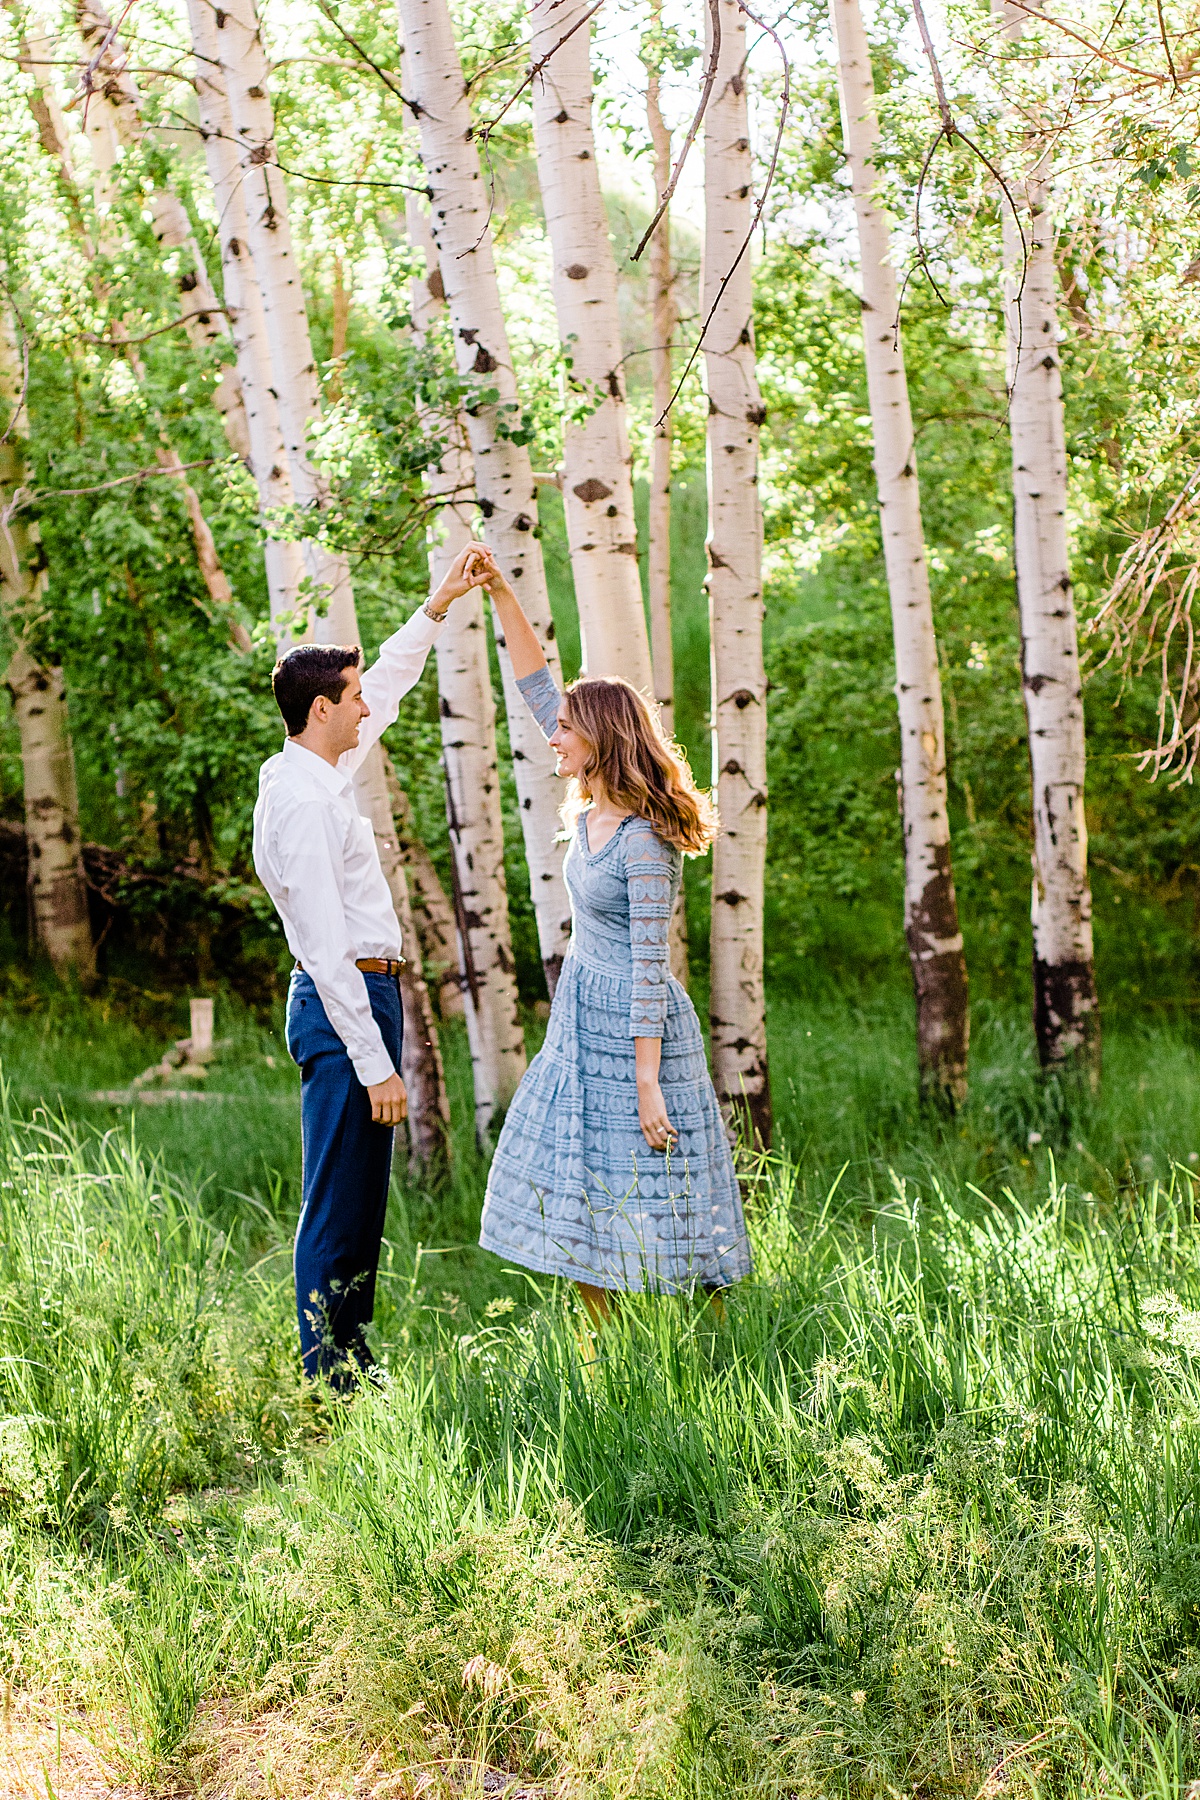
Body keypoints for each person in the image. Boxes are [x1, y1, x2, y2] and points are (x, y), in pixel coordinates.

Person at [474, 549, 751, 1320]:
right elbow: (537, 688)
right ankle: (603, 1373)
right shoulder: (589, 807)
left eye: (565, 729)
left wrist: (646, 1080)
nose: (552, 738)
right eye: (556, 727)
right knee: (582, 1194)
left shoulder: (644, 840)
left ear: (598, 737)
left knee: (669, 1206)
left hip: (639, 1036)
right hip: (579, 1026)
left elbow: (647, 966)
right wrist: (501, 591)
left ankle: (717, 1357)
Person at [253, 544, 492, 1385]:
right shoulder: (302, 803)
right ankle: (331, 1380)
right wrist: (376, 1062)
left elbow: (384, 685)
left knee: (360, 1203)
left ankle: (350, 1358)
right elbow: (321, 947)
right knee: (337, 1203)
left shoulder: (316, 771)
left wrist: (437, 606)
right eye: (349, 699)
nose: (363, 709)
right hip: (343, 999)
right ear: (321, 709)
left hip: (361, 996)